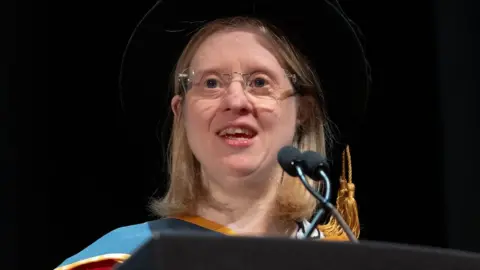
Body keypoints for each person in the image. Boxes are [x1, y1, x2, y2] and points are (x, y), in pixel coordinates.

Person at [54, 1, 371, 269]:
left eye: (260, 82)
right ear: (181, 113)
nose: (235, 101)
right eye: (211, 83)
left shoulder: (344, 261)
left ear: (303, 111)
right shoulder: (123, 260)